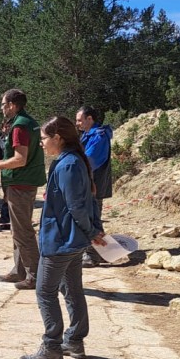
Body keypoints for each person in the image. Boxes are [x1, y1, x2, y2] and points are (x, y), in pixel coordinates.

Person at [21, 117, 106, 359]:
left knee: (45, 291)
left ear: (58, 138)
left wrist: (92, 231)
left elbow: (77, 206)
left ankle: (51, 348)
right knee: (71, 289)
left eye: (44, 139)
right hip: (71, 240)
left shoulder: (68, 165)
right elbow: (88, 200)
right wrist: (93, 230)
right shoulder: (73, 161)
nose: (42, 145)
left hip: (61, 240)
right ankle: (74, 341)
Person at [0, 89, 45, 290]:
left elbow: (20, 159)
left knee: (22, 230)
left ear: (12, 105)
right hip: (23, 182)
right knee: (18, 228)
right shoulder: (28, 122)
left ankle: (35, 275)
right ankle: (19, 270)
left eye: (3, 104)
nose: (1, 108)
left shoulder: (20, 127)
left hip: (20, 183)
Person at [76, 106, 114, 267]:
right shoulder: (88, 134)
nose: (77, 123)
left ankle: (93, 255)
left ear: (89, 119)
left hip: (94, 185)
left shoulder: (99, 136)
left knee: (92, 219)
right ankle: (102, 252)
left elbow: (89, 160)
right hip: (90, 184)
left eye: (79, 120)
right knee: (91, 217)